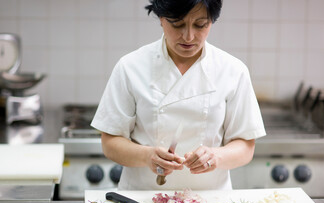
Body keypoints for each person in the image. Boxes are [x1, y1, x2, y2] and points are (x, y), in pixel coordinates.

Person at [91, 0, 266, 190]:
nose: (189, 36)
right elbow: (110, 143)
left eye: (200, 25)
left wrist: (216, 157)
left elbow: (246, 146)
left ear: (212, 21)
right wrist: (146, 156)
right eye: (177, 24)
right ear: (161, 18)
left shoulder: (233, 70)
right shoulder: (130, 67)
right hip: (141, 202)